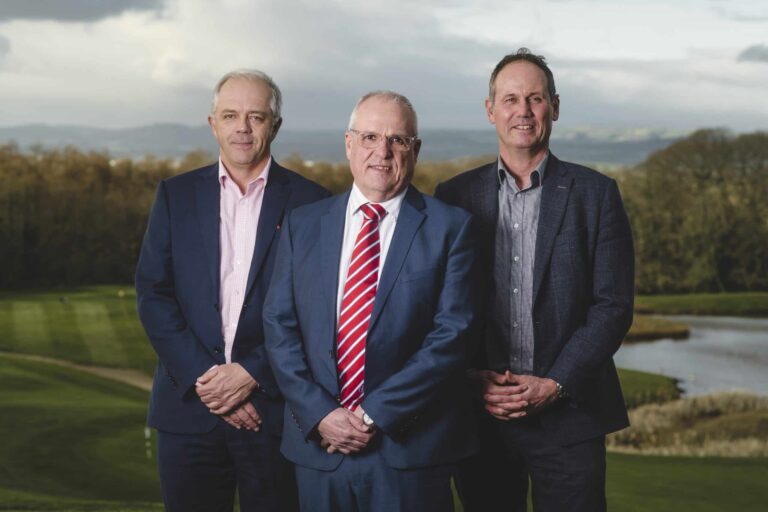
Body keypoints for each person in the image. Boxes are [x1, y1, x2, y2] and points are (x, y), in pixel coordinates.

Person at [434, 48, 635, 512]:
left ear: (555, 107)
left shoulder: (597, 194)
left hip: (570, 416)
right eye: (510, 99)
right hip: (481, 414)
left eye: (535, 99)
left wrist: (555, 384)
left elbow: (613, 306)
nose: (522, 111)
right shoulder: (454, 196)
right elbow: (439, 306)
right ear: (491, 111)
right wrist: (468, 378)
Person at [263, 91, 479, 512]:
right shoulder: (302, 225)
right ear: (349, 143)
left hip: (410, 451)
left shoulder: (451, 228)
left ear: (414, 150)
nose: (382, 151)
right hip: (319, 449)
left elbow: (453, 335)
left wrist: (371, 415)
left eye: (397, 140)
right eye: (369, 137)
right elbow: (279, 326)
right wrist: (321, 414)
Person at [135, 69, 329, 512]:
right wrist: (207, 379)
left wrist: (250, 374)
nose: (243, 127)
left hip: (274, 412)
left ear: (275, 125)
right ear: (213, 124)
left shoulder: (312, 202)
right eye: (231, 115)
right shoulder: (175, 196)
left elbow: (317, 311)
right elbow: (153, 292)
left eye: (256, 117)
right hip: (187, 410)